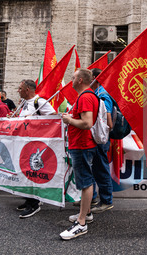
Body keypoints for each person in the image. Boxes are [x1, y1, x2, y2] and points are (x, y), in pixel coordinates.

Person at [60, 68, 99, 240]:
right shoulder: (87, 96)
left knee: (85, 182)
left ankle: (81, 223)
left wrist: (69, 120)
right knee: (85, 180)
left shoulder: (85, 97)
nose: (72, 79)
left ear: (81, 80)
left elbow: (86, 123)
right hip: (82, 144)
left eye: (74, 77)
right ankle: (87, 213)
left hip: (82, 145)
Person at [15, 79, 56, 218]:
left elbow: (53, 118)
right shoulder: (23, 103)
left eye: (20, 88)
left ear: (27, 89)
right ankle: (28, 199)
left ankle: (35, 203)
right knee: (25, 171)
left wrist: (34, 120)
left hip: (35, 145)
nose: (18, 91)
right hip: (24, 143)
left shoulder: (40, 102)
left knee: (33, 173)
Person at [87, 68, 114, 214]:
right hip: (95, 138)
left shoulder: (103, 95)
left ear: (95, 78)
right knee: (93, 169)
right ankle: (92, 198)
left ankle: (106, 201)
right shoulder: (96, 93)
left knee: (101, 169)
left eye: (90, 77)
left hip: (100, 139)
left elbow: (108, 122)